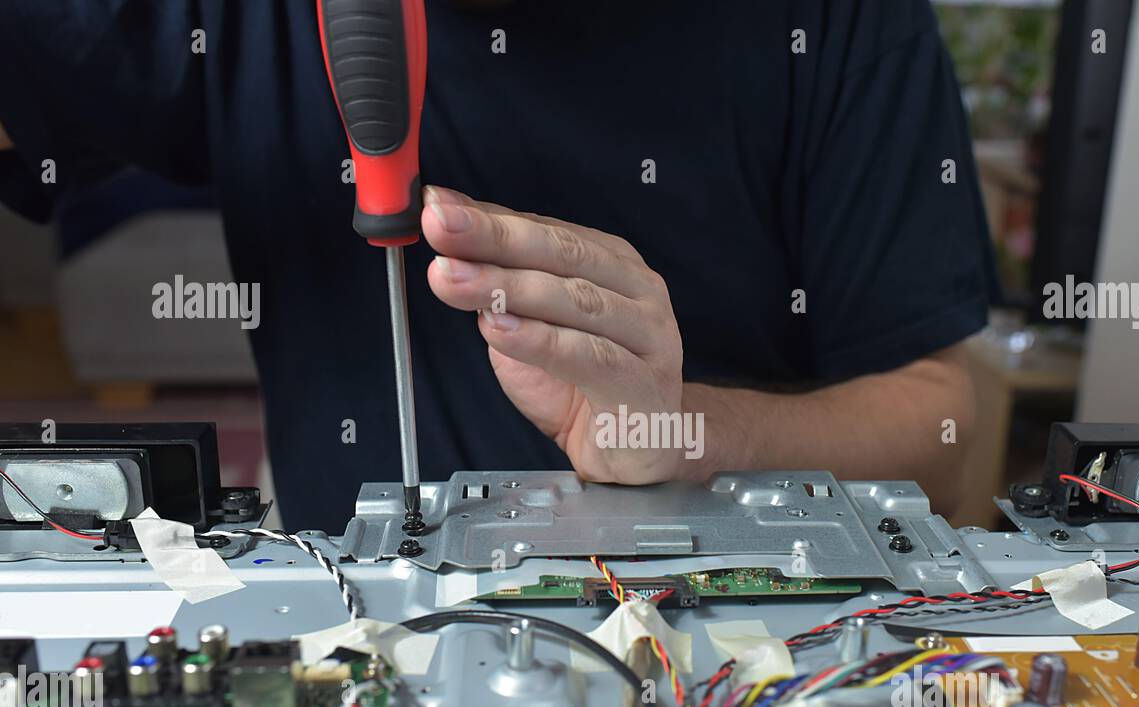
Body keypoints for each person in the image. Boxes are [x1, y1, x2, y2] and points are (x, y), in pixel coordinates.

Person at [0, 0, 996, 531]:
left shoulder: (833, 18)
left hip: (730, 639)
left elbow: (952, 426)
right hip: (353, 655)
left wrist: (688, 433)